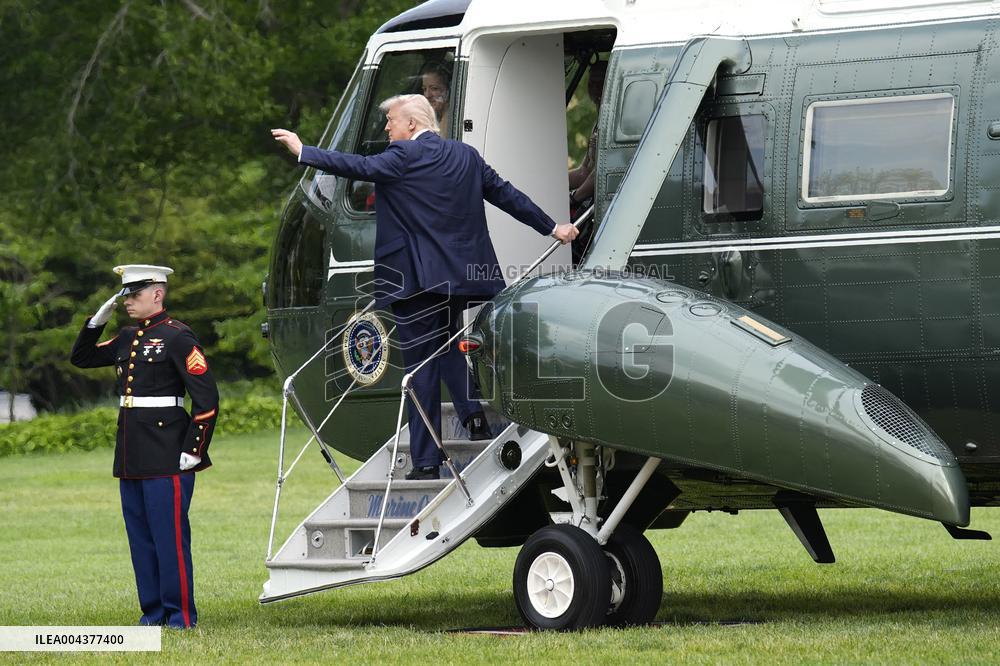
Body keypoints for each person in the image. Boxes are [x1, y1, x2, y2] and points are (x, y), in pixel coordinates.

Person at [272, 95, 577, 479]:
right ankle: (473, 417)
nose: (387, 128)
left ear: (412, 125)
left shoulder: (402, 157)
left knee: (419, 369)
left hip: (414, 281)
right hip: (456, 279)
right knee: (445, 342)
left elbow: (357, 166)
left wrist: (304, 151)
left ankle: (427, 462)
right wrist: (552, 227)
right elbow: (506, 194)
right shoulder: (465, 156)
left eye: (391, 121)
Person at [70, 264, 219, 629]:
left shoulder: (178, 337)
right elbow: (82, 358)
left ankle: (180, 616)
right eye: (124, 297)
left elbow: (207, 399)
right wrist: (95, 323)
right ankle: (152, 613)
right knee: (141, 539)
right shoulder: (126, 337)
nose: (127, 303)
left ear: (158, 293)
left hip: (168, 451)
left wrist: (194, 448)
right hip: (132, 452)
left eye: (134, 295)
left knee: (169, 538)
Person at [567, 59, 606, 264]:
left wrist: (574, 198)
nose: (594, 87)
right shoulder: (599, 119)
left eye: (600, 81)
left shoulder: (612, 119)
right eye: (592, 82)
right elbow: (585, 171)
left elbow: (602, 170)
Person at [420, 62, 452, 135]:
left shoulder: (453, 119)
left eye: (434, 88)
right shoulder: (429, 117)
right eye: (424, 89)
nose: (427, 95)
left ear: (448, 90)